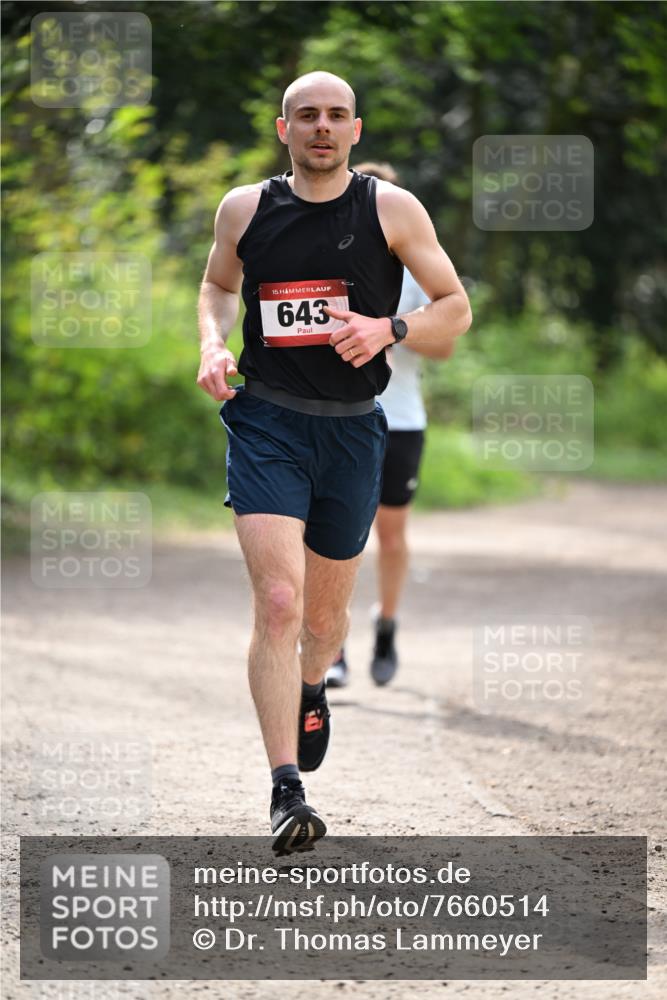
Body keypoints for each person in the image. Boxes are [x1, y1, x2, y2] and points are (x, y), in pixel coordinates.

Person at [197, 71, 472, 855]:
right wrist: (214, 341)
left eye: (336, 115)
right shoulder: (244, 208)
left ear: (356, 129)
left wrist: (389, 328)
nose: (322, 126)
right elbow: (219, 284)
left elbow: (455, 306)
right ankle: (287, 789)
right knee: (279, 603)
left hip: (352, 431)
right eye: (306, 115)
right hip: (267, 422)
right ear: (282, 128)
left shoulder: (390, 209)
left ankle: (313, 683)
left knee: (321, 624)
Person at [326, 161, 454, 690]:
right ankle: (332, 647)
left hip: (399, 420)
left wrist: (388, 331)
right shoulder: (329, 264)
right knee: (329, 535)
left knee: (391, 535)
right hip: (336, 415)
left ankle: (385, 625)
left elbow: (445, 343)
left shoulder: (415, 271)